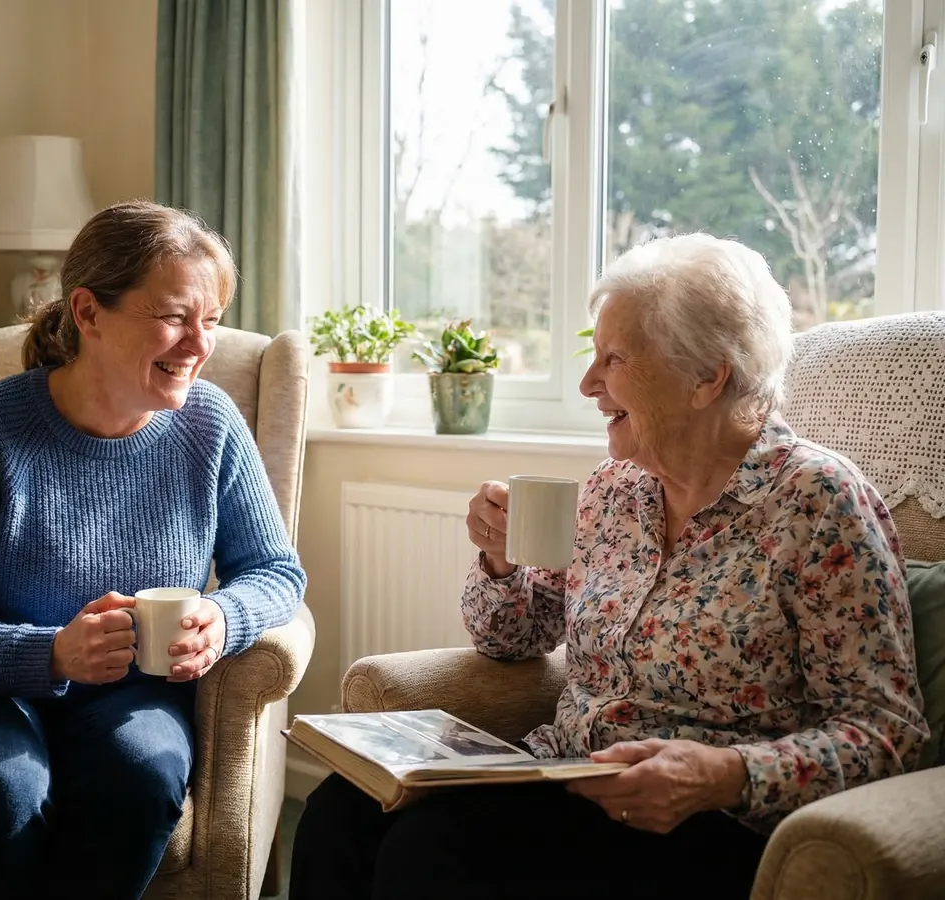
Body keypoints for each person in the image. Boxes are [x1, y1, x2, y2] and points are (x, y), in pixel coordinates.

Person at [290, 233, 928, 899]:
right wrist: (500, 564)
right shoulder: (613, 487)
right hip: (559, 779)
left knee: (432, 855)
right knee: (341, 810)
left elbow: (886, 733)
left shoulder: (820, 504)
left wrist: (724, 772)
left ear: (707, 374)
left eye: (614, 358)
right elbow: (513, 641)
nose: (588, 383)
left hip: (703, 822)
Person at [0, 200, 307, 900]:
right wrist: (48, 654)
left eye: (212, 321)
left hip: (128, 695)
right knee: (3, 783)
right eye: (172, 317)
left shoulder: (212, 425)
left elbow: (275, 572)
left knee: (144, 773)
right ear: (89, 312)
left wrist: (224, 619)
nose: (198, 344)